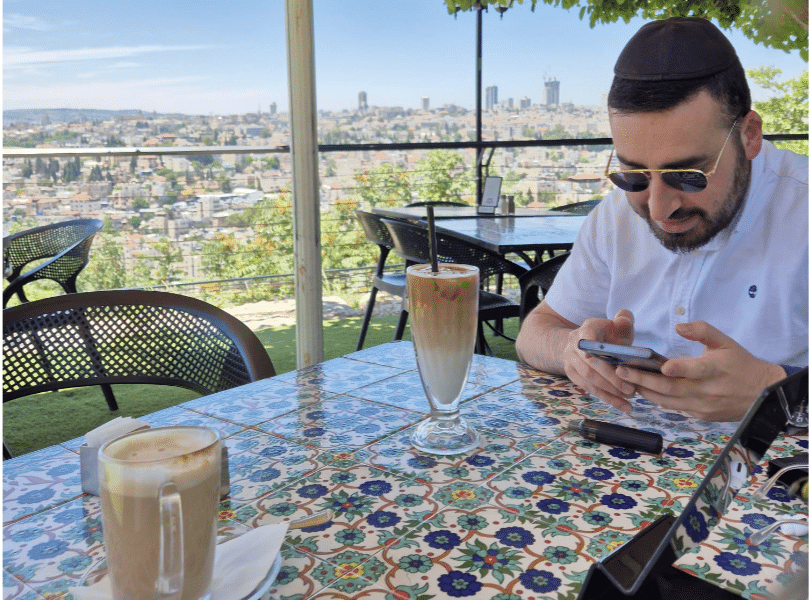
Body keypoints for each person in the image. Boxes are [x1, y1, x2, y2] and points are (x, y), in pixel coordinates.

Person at [515, 17, 808, 422]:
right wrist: (571, 349)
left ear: (749, 136)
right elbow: (536, 331)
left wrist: (779, 391)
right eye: (633, 175)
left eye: (687, 175)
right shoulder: (615, 216)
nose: (657, 209)